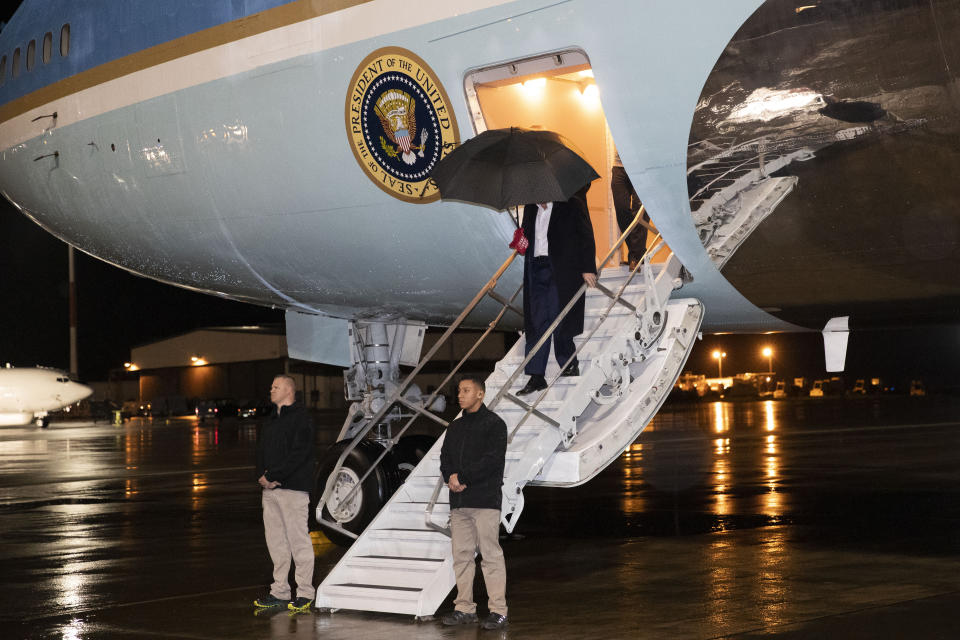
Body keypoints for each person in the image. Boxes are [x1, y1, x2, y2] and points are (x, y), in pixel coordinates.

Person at [439, 375, 509, 630]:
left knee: (490, 556)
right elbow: (445, 458)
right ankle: (464, 608)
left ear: (480, 394)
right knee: (462, 557)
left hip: (485, 501)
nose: (460, 395)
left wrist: (464, 477)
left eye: (466, 390)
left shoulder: (494, 425)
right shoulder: (454, 427)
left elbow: (492, 460)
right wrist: (451, 478)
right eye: (459, 391)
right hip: (459, 502)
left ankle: (498, 611)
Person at [517, 184, 598, 396]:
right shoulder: (530, 208)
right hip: (535, 267)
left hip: (561, 269)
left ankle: (569, 363)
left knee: (560, 316)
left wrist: (588, 267)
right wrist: (520, 239)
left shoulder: (571, 203)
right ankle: (536, 376)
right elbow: (527, 237)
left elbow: (585, 235)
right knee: (536, 321)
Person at [253, 375, 317, 612]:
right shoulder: (270, 421)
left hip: (293, 490)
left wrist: (274, 475)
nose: (271, 390)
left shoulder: (302, 419)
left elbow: (300, 454)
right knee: (276, 544)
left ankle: (305, 593)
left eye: (275, 387)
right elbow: (259, 451)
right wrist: (261, 475)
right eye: (271, 387)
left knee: (298, 542)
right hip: (270, 492)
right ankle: (280, 591)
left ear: (289, 390)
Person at [611, 148, 650, 270]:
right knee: (621, 208)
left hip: (642, 166)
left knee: (640, 211)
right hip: (619, 165)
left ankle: (635, 256)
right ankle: (638, 252)